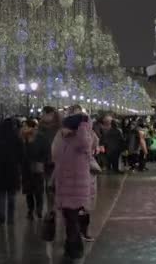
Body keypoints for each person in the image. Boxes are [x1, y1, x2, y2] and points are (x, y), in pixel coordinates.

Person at [52, 111, 93, 260]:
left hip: (76, 188)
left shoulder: (80, 140)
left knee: (72, 220)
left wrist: (83, 123)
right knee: (69, 220)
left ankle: (74, 248)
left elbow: (85, 143)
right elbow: (55, 157)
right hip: (64, 186)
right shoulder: (64, 139)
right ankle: (72, 248)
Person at [0, 118, 23, 225]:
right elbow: (22, 156)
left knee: (1, 194)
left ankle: (1, 217)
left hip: (0, 170)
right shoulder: (16, 139)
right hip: (13, 170)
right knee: (11, 196)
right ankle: (11, 219)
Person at [21, 118, 45, 220]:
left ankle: (38, 210)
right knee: (29, 191)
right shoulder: (23, 138)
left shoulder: (39, 137)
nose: (23, 128)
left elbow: (45, 150)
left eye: (25, 126)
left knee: (38, 191)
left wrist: (41, 160)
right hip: (26, 167)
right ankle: (30, 210)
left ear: (30, 126)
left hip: (37, 166)